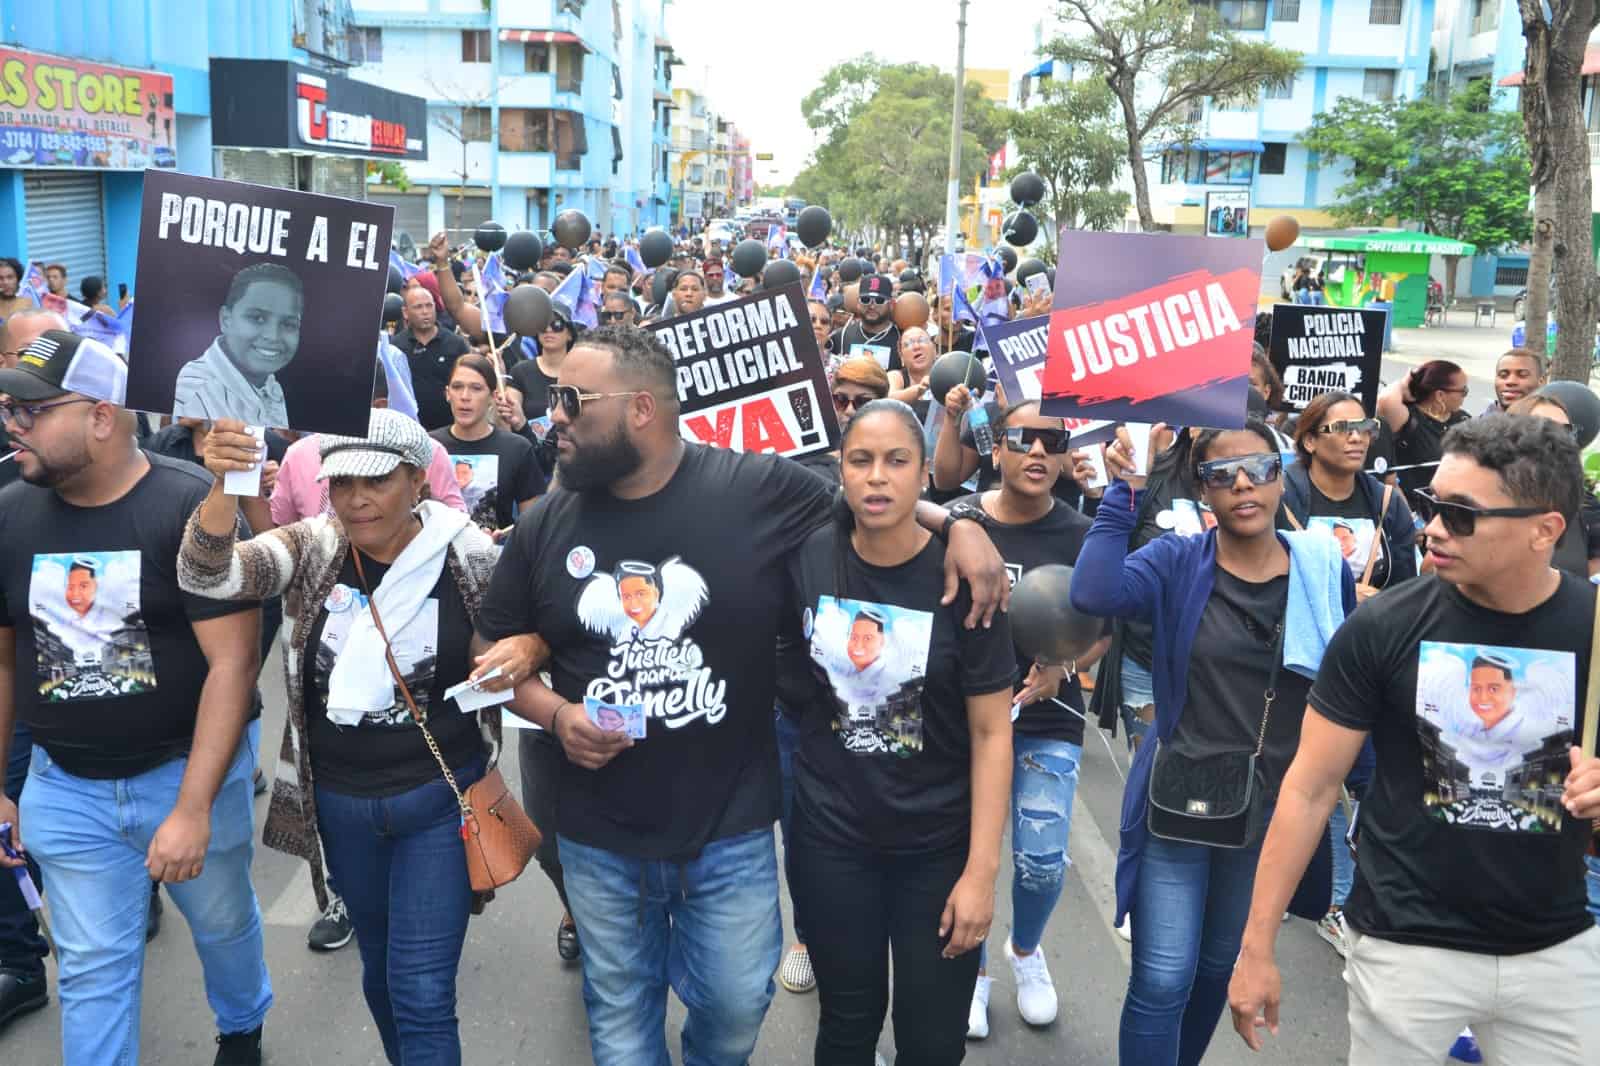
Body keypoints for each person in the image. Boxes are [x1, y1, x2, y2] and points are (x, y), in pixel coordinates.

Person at [473, 325, 1007, 1066]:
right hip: (598, 836)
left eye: (572, 398)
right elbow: (490, 648)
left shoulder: (755, 489)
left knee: (734, 1006)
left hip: (730, 830)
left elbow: (871, 496)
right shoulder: (549, 520)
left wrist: (962, 522)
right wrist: (553, 710)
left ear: (639, 411)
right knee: (622, 1024)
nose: (553, 412)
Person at [1228, 414, 1600, 1066]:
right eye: (1431, 504)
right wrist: (1256, 949)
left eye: (1460, 514)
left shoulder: (1591, 630)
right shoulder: (1382, 626)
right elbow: (1311, 791)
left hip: (1557, 949)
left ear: (1545, 530)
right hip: (1405, 948)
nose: (1430, 528)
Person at [179, 411, 534, 1066]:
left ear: (418, 480)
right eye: (340, 484)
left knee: (421, 989)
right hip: (340, 810)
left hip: (440, 806)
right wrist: (224, 485)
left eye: (375, 482)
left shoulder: (472, 558)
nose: (355, 499)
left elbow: (532, 633)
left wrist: (530, 647)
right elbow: (209, 577)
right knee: (381, 972)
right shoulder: (314, 544)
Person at [0, 331, 272, 1066]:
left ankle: (243, 1025)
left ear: (99, 416)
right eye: (6, 408)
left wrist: (190, 808)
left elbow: (233, 664)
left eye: (30, 411)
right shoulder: (8, 515)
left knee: (221, 925)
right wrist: (3, 786)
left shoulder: (191, 509)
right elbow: (3, 661)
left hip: (188, 777)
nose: (11, 426)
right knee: (92, 970)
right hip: (65, 788)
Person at [1071, 418, 1353, 1066]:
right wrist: (1125, 492)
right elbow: (1094, 593)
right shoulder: (1177, 561)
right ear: (1203, 492)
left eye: (1259, 468)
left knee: (1218, 968)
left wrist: (1362, 786)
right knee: (1163, 975)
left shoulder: (1320, 568)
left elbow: (1347, 686)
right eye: (1222, 475)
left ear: (1282, 476)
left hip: (1269, 811)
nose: (1243, 485)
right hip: (1182, 800)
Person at [786, 399, 1015, 1064]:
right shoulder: (810, 550)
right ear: (841, 472)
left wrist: (981, 872)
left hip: (937, 851)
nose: (878, 476)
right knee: (848, 1022)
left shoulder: (968, 580)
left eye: (897, 461)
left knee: (933, 1039)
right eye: (861, 460)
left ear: (922, 476)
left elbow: (992, 735)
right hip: (832, 843)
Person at [955, 401, 1110, 1038]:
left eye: (1054, 439)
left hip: (1048, 720)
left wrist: (1064, 668)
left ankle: (1026, 952)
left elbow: (1103, 629)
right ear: (998, 448)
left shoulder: (1081, 536)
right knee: (971, 855)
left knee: (1042, 861)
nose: (1039, 451)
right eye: (1025, 438)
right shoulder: (961, 522)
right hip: (967, 721)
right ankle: (971, 969)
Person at [1280, 390, 1417, 600]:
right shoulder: (1279, 498)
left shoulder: (1389, 504)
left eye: (1364, 428)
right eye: (1342, 428)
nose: (1356, 438)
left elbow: (1405, 593)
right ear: (1310, 441)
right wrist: (1344, 595)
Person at [173, 263, 302, 427]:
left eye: (288, 324)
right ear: (225, 320)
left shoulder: (269, 384)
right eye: (257, 318)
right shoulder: (199, 388)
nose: (273, 336)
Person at [429, 354, 546, 536]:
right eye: (457, 387)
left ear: (493, 396)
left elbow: (533, 526)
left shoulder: (517, 448)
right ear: (447, 394)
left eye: (476, 388)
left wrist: (504, 537)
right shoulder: (430, 445)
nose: (465, 397)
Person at [1377, 359, 1471, 497]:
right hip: (1414, 509)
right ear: (1440, 395)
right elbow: (1385, 400)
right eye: (1464, 391)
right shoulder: (1409, 418)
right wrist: (1406, 382)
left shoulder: (1463, 419)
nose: (1465, 396)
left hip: (1453, 506)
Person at [391, 286, 470, 431]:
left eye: (429, 305)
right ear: (405, 312)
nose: (425, 311)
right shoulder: (396, 347)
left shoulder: (455, 344)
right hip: (408, 429)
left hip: (449, 428)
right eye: (418, 307)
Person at [832, 275, 900, 369]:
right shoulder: (842, 336)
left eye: (879, 301)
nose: (872, 306)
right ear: (858, 303)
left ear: (891, 304)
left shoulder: (901, 339)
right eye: (865, 300)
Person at [1483, 347, 1546, 416]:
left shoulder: (1552, 422)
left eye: (1522, 375)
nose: (1511, 381)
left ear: (1541, 382)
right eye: (1503, 375)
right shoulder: (1476, 425)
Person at [887, 326, 936, 410]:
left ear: (934, 350)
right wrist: (919, 389)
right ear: (901, 356)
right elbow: (888, 401)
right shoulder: (895, 376)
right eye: (908, 344)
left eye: (922, 340)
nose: (916, 346)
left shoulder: (945, 373)